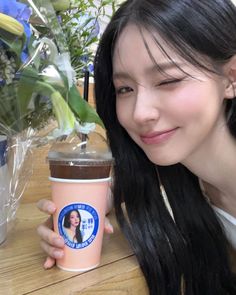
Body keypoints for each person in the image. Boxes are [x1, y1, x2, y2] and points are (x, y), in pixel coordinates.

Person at [37, 0, 236, 294]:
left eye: (168, 80)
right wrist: (86, 207)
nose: (140, 113)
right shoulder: (182, 172)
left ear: (231, 78)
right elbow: (129, 178)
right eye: (125, 89)